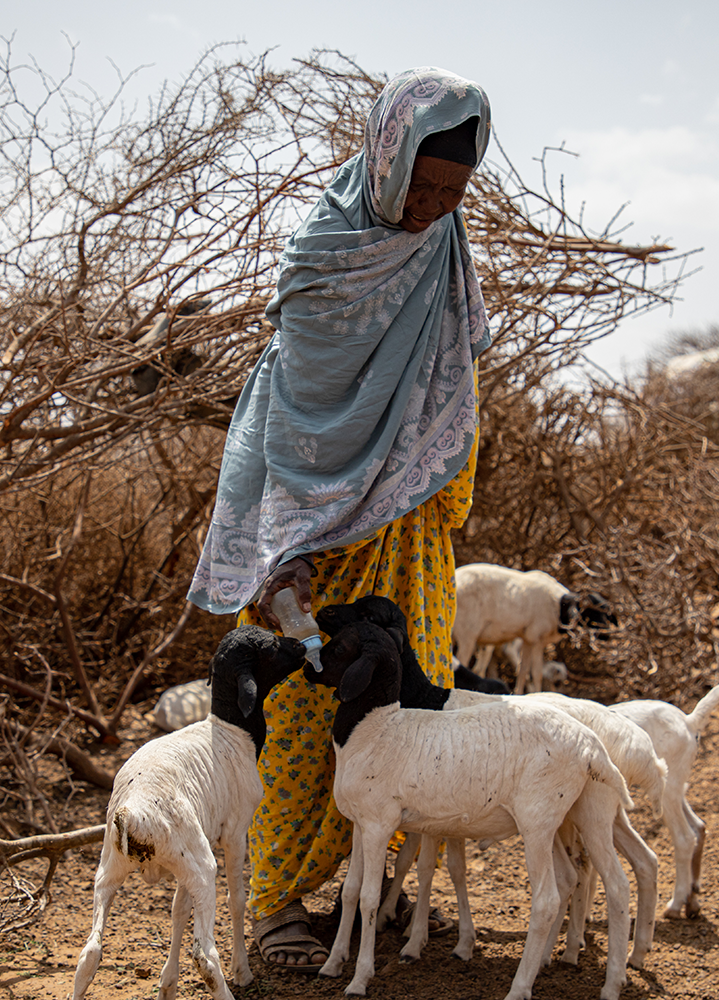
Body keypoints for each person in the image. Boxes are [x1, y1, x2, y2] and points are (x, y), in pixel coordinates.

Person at [187, 66, 492, 970]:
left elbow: (451, 379)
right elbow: (296, 410)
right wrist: (295, 540)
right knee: (295, 717)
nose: (435, 206)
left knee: (408, 705)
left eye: (455, 191)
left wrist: (436, 483)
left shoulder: (444, 248)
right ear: (388, 161)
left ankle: (382, 894)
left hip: (409, 538)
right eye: (424, 187)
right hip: (319, 536)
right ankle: (277, 903)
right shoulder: (326, 257)